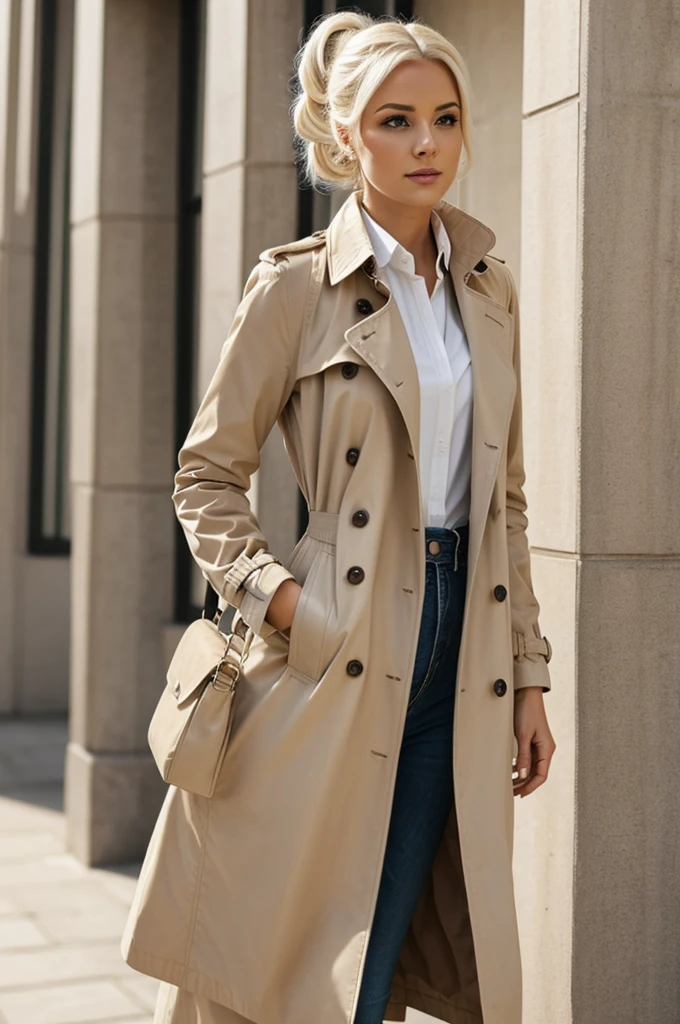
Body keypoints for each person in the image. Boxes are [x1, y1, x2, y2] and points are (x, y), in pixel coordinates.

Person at [121, 11, 556, 1024]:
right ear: (345, 136)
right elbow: (205, 477)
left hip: (463, 648)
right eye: (395, 120)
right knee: (301, 965)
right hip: (337, 644)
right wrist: (284, 603)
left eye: (442, 119)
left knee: (385, 938)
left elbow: (508, 502)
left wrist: (528, 671)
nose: (424, 144)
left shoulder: (488, 292)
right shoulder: (295, 289)